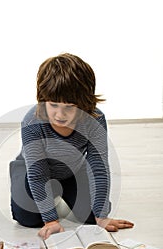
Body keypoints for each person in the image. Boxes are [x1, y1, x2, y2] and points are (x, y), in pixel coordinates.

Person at [9, 53, 134, 239]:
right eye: (53, 105)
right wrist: (51, 220)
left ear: (84, 103)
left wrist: (101, 216)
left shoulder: (94, 120)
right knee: (28, 219)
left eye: (69, 107)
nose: (60, 115)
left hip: (71, 170)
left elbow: (98, 167)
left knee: (92, 216)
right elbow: (38, 174)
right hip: (35, 170)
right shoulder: (32, 122)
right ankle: (19, 174)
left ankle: (60, 191)